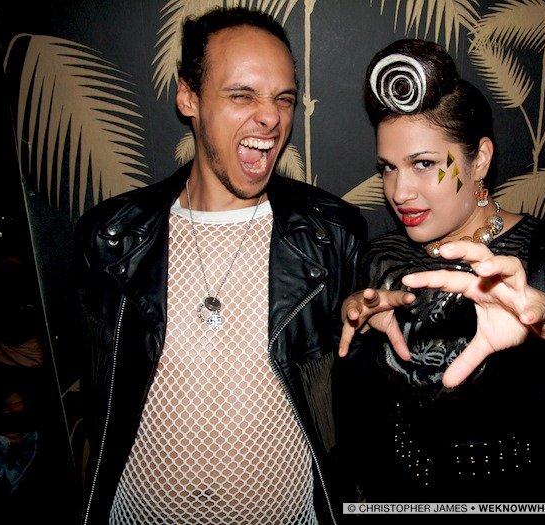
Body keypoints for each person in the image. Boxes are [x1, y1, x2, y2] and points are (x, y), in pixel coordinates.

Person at [74, 6, 366, 525]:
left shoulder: (331, 236)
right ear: (188, 97)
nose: (271, 118)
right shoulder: (112, 237)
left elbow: (358, 405)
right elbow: (97, 401)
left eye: (283, 98)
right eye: (242, 95)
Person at [336, 38, 545, 518]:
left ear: (480, 160)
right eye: (387, 168)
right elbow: (363, 430)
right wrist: (356, 340)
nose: (399, 191)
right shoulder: (381, 260)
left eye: (424, 164)